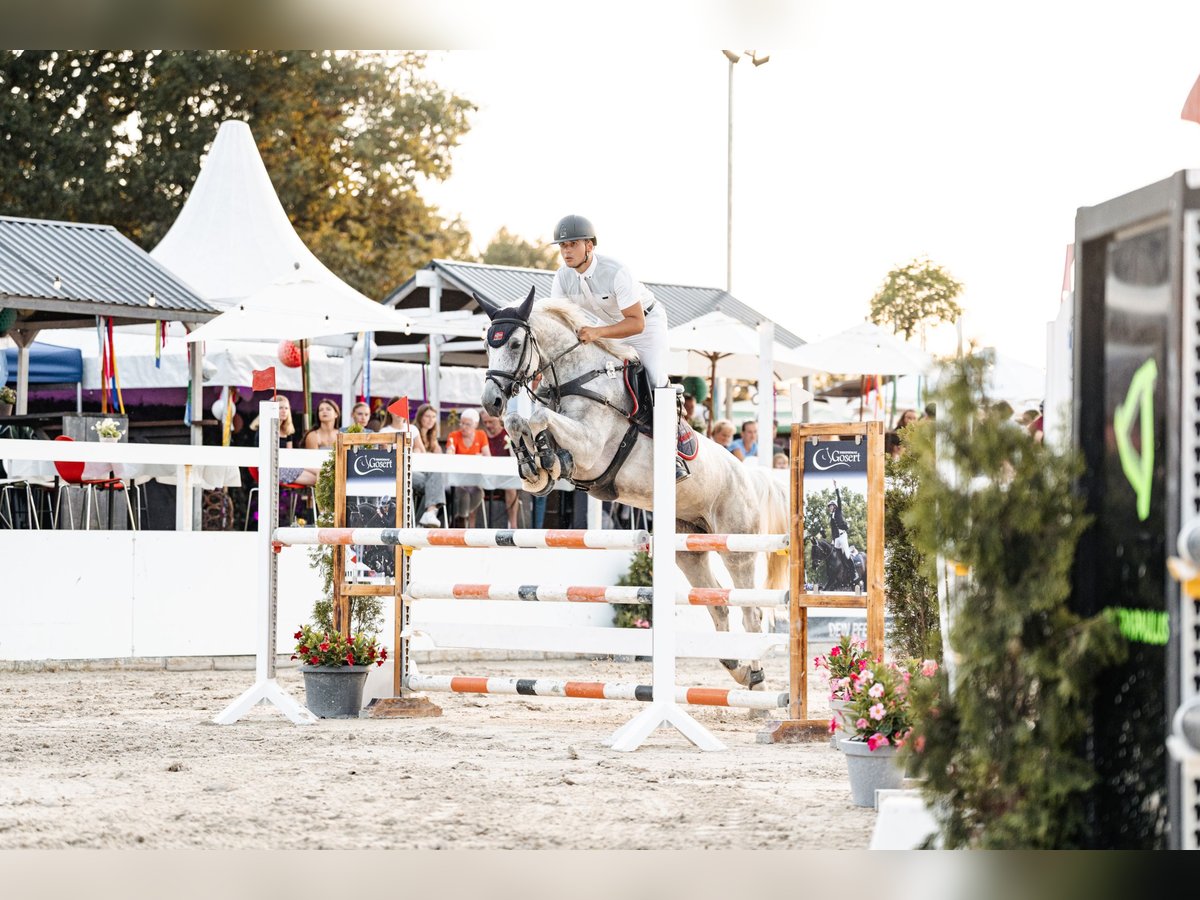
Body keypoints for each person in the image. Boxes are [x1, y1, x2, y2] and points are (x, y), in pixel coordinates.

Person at [550, 214, 692, 482]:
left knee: (656, 379)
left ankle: (672, 454)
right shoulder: (562, 277)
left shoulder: (616, 271)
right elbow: (561, 323)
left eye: (572, 245)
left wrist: (597, 332)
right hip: (607, 327)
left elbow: (636, 323)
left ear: (589, 246)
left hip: (645, 326)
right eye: (562, 246)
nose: (566, 251)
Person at [380, 400, 447, 527]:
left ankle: (429, 513)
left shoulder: (412, 429)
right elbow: (385, 457)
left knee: (433, 478)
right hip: (395, 472)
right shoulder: (384, 431)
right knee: (432, 484)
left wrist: (415, 451)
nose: (399, 414)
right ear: (391, 412)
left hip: (413, 470)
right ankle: (424, 518)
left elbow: (421, 452)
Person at [446, 407, 490, 527]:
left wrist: (481, 457)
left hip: (473, 479)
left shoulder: (481, 435)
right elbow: (450, 454)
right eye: (462, 423)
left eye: (468, 424)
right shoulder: (454, 435)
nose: (463, 426)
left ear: (475, 424)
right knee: (464, 493)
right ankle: (462, 520)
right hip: (456, 479)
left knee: (479, 493)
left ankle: (459, 518)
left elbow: (487, 457)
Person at [480, 409, 521, 528]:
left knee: (511, 487)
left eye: (491, 422)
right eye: (485, 422)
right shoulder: (481, 435)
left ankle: (513, 525)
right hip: (485, 477)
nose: (488, 425)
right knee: (472, 487)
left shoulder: (508, 435)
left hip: (505, 477)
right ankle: (470, 527)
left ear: (499, 420)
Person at [827, 479, 852, 560]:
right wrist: (833, 540)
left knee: (847, 555)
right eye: (829, 506)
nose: (830, 507)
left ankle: (854, 571)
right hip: (836, 538)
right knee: (835, 555)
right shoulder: (831, 517)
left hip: (843, 536)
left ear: (834, 506)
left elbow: (839, 498)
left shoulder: (838, 510)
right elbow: (832, 529)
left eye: (831, 506)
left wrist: (835, 486)